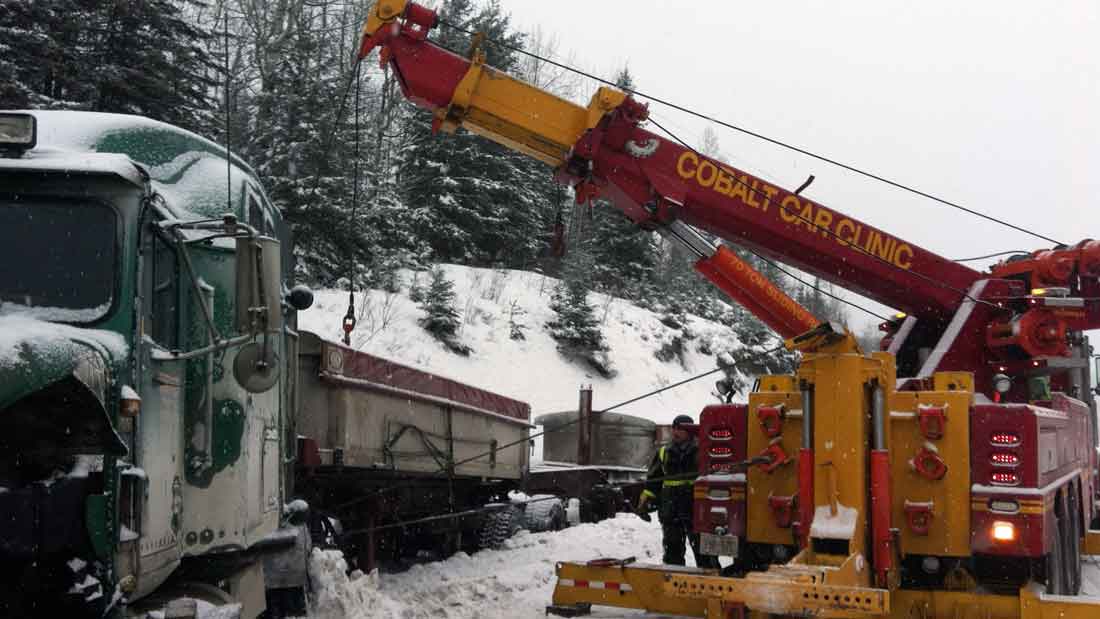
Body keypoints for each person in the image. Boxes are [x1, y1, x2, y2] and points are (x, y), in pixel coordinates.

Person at [636, 414, 719, 568]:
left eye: (680, 429)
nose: (675, 432)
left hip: (696, 510)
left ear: (691, 431)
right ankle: (674, 581)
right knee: (672, 552)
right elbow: (653, 481)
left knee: (705, 553)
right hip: (670, 511)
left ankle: (711, 579)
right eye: (674, 428)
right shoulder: (663, 452)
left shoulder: (703, 451)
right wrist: (645, 500)